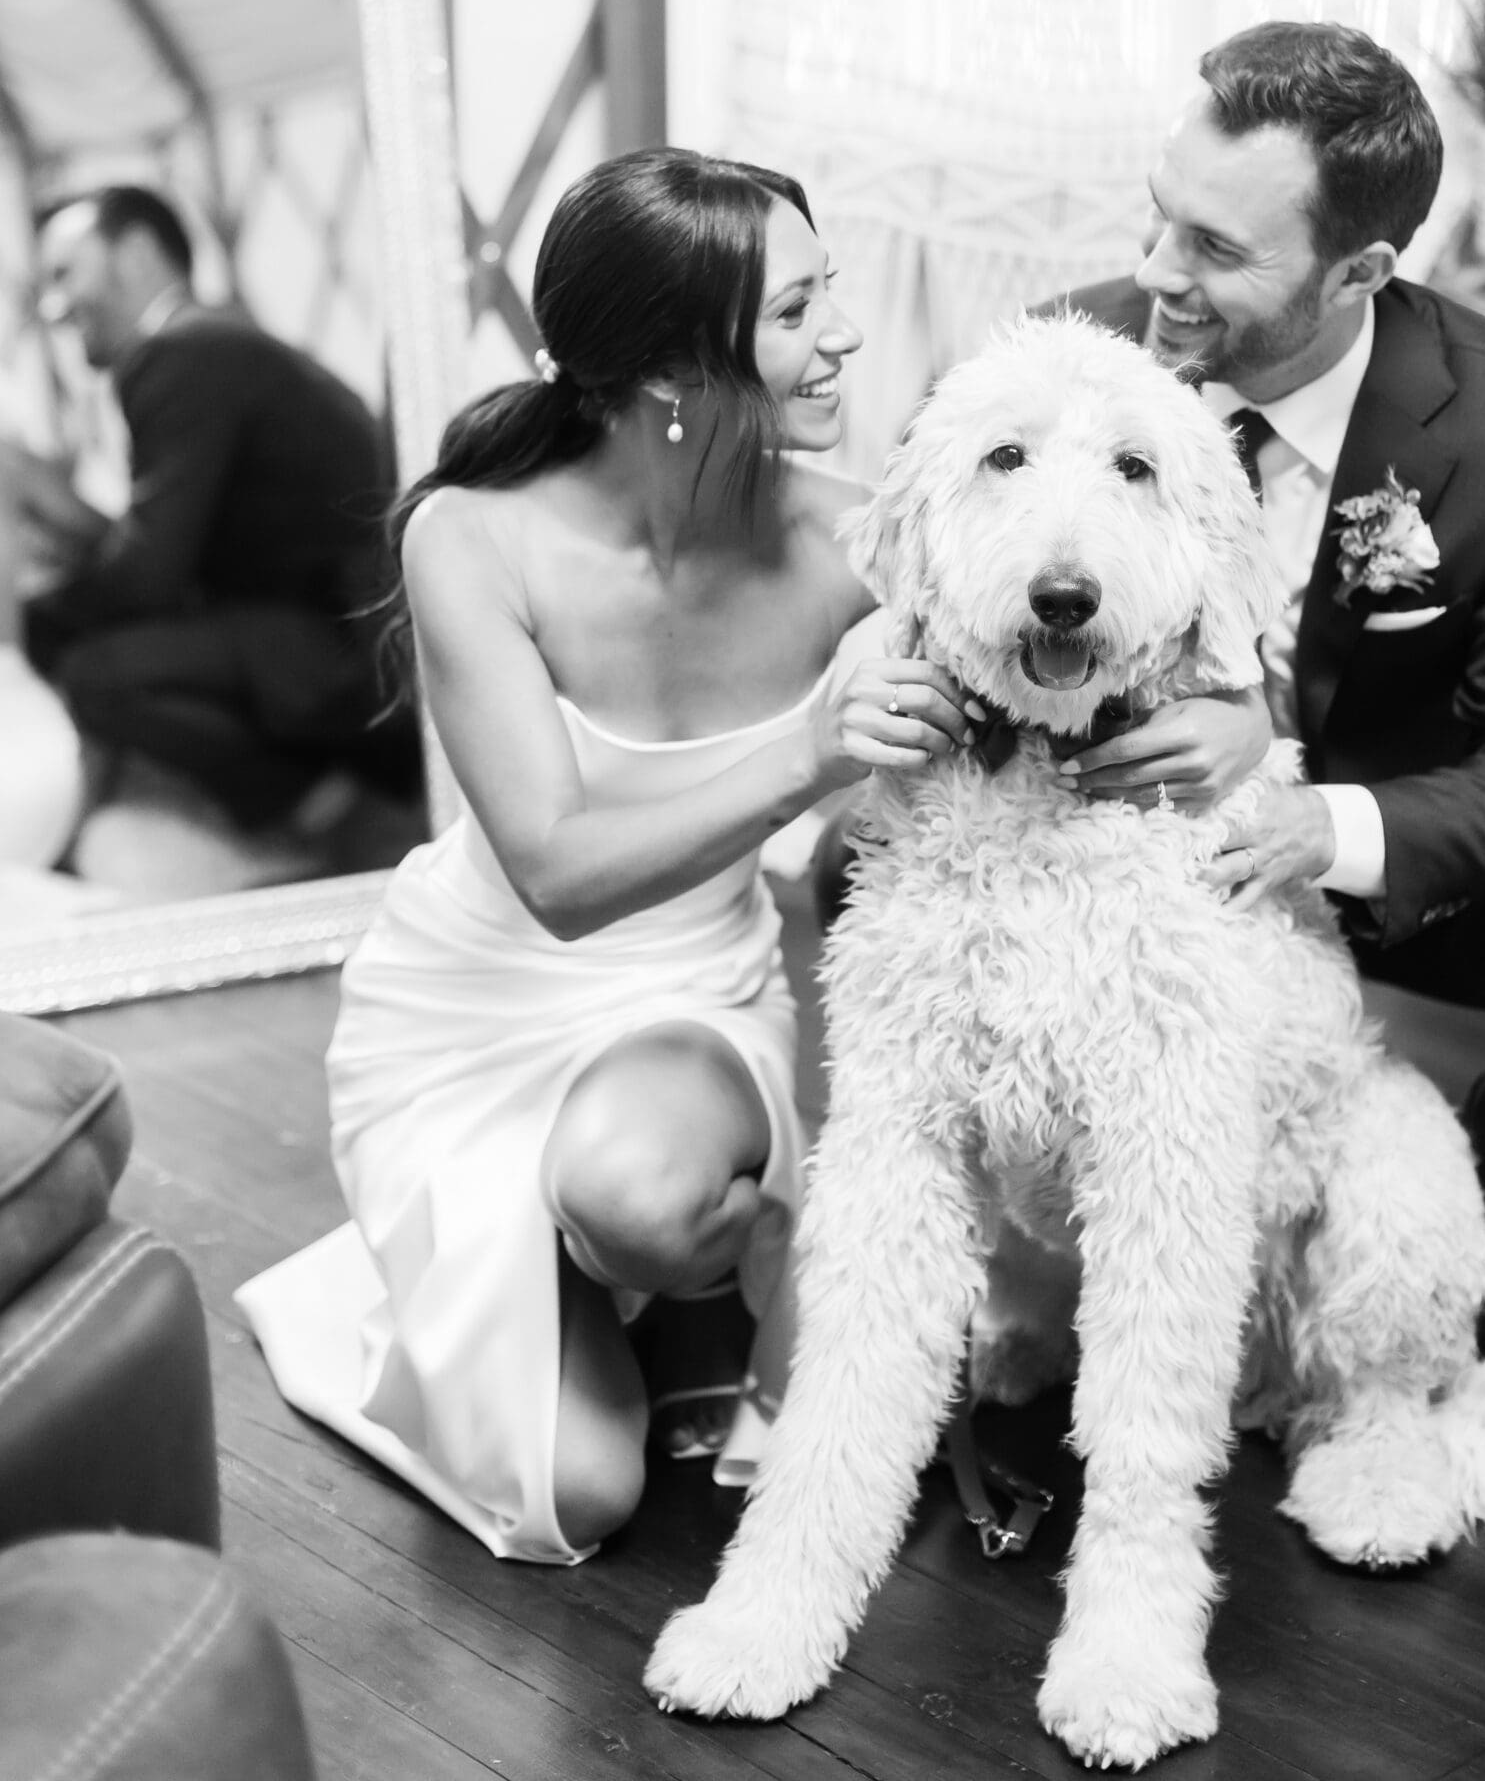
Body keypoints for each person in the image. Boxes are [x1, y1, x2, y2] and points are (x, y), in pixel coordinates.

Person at [239, 146, 987, 1565]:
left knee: (640, 1197)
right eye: (793, 311)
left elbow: (1059, 641)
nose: (841, 336)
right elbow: (557, 874)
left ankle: (703, 1251)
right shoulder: (474, 537)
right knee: (579, 1498)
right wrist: (812, 751)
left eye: (832, 293)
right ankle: (612, 1286)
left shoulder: (849, 536)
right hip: (469, 1008)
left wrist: (1214, 725)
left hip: (690, 992)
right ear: (663, 371)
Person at [1060, 19, 1485, 1344]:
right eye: (1159, 221)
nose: (1152, 276)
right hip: (1163, 819)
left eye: (1214, 252)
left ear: (1358, 270)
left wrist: (1318, 829)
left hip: (1415, 812)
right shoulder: (1083, 355)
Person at [2, 185, 413, 837]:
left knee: (89, 668)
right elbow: (164, 548)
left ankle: (333, 820)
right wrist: (63, 508)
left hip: (336, 651)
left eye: (64, 273)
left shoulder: (177, 355)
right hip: (335, 632)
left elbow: (148, 578)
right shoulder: (218, 340)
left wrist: (25, 620)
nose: (53, 307)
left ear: (135, 254)